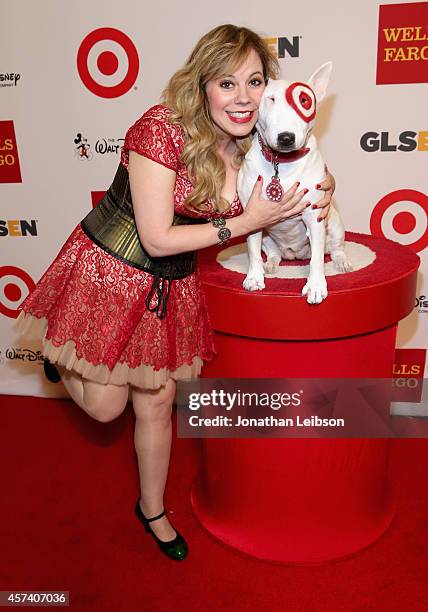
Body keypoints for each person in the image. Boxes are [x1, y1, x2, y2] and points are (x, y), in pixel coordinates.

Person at [16, 24, 334, 561]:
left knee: (159, 401)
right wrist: (246, 222)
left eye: (255, 82)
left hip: (172, 285)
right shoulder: (161, 128)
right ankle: (60, 362)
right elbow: (157, 237)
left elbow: (309, 171)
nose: (244, 97)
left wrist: (326, 187)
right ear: (202, 82)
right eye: (227, 83)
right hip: (112, 272)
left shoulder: (256, 138)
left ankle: (152, 509)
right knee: (103, 409)